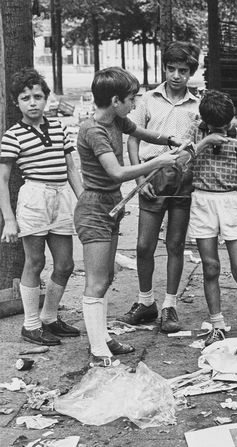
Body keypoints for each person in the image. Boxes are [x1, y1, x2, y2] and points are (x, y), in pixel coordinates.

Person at [75, 66, 187, 367]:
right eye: (131, 99)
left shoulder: (116, 120)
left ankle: (103, 338)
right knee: (96, 282)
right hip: (95, 209)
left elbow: (139, 132)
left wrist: (168, 141)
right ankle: (99, 351)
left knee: (107, 277)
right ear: (115, 100)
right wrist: (157, 163)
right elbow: (117, 172)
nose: (135, 104)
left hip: (111, 205)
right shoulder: (94, 130)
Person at [117, 42, 201, 333]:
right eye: (171, 68)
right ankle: (145, 302)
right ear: (163, 67)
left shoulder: (196, 106)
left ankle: (170, 306)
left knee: (176, 244)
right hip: (152, 176)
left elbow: (200, 145)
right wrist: (139, 179)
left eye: (183, 70)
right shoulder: (148, 100)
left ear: (191, 72)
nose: (176, 75)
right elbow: (132, 137)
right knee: (144, 245)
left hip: (183, 179)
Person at [0, 68, 84, 346]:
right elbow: (3, 180)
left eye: (37, 96)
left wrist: (83, 200)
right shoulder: (13, 135)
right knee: (35, 261)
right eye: (26, 98)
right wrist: (9, 220)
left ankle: (49, 317)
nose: (32, 102)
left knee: (65, 263)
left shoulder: (59, 128)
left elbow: (71, 169)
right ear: (17, 103)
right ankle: (31, 324)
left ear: (46, 98)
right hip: (34, 197)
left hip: (61, 197)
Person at [189, 90, 237, 345]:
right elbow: (181, 163)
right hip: (202, 200)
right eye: (218, 127)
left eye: (227, 125)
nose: (225, 130)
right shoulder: (195, 132)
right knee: (210, 267)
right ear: (206, 122)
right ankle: (217, 324)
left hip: (230, 201)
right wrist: (205, 141)